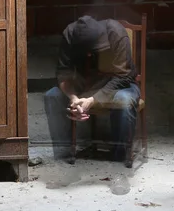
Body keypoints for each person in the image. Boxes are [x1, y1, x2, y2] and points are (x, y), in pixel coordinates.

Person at [44, 15, 140, 163]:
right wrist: (74, 98)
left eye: (94, 51)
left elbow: (123, 77)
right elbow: (63, 74)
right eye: (86, 52)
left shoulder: (116, 33)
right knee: (52, 96)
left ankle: (120, 159)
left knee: (124, 99)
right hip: (85, 86)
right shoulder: (69, 35)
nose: (89, 54)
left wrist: (93, 100)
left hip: (118, 85)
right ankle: (63, 157)